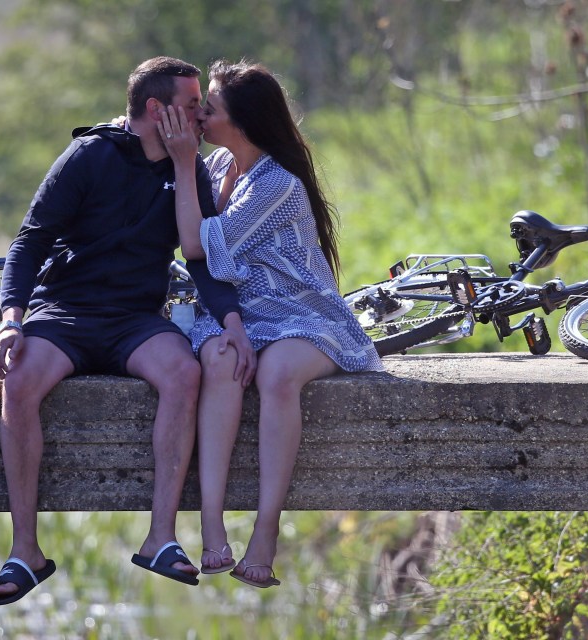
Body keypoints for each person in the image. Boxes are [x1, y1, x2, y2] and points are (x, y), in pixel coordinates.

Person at [0, 56, 257, 606]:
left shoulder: (190, 168)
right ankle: (25, 552)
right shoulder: (90, 155)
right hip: (66, 312)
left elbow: (201, 260)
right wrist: (11, 320)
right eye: (189, 104)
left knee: (183, 372)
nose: (201, 115)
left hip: (135, 320)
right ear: (156, 109)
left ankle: (160, 539)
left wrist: (233, 324)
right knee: (17, 381)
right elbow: (29, 242)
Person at [159, 59, 383, 588]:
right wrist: (189, 165)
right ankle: (211, 524)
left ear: (242, 123)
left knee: (276, 373)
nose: (200, 117)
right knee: (218, 359)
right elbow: (191, 246)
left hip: (306, 314)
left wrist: (182, 162)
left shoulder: (275, 185)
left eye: (208, 109)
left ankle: (266, 530)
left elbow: (196, 246)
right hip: (242, 316)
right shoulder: (216, 167)